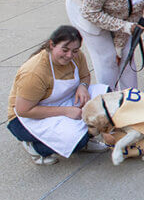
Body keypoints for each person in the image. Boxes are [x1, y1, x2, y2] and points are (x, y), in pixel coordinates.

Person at [7, 26, 108, 165]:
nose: (69, 55)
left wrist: (83, 87)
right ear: (51, 45)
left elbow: (85, 75)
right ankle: (37, 149)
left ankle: (85, 138)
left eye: (75, 50)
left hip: (63, 100)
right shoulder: (34, 72)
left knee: (106, 102)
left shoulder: (77, 56)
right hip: (26, 118)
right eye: (65, 50)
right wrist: (66, 111)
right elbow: (23, 110)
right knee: (77, 138)